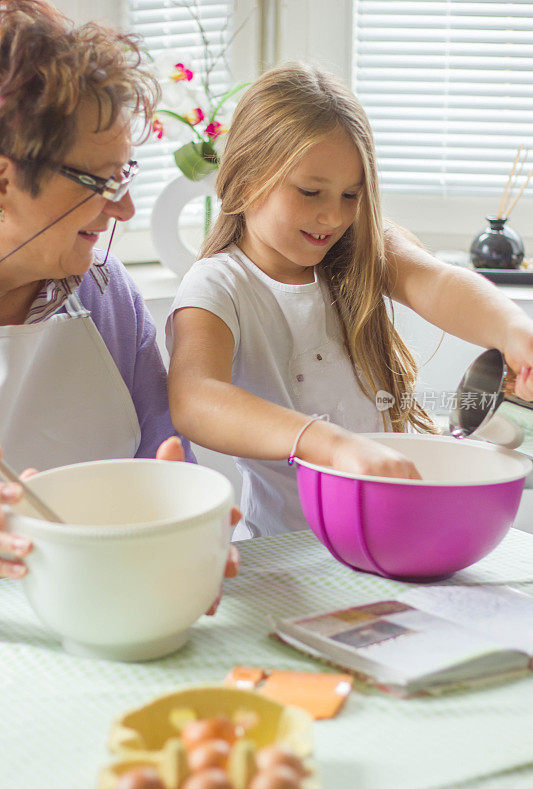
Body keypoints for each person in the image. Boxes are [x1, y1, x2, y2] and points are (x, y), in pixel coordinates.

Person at [167, 62, 533, 539]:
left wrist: (514, 330)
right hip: (290, 552)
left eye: (350, 194)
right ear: (246, 174)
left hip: (392, 536)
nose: (332, 215)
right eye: (310, 191)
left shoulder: (356, 251)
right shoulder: (218, 286)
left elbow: (440, 283)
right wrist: (327, 443)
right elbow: (195, 397)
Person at [0, 0, 239, 594]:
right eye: (98, 181)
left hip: (103, 611)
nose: (124, 207)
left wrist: (191, 534)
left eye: (123, 174)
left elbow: (164, 464)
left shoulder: (106, 295)